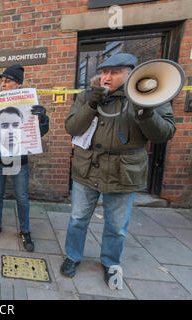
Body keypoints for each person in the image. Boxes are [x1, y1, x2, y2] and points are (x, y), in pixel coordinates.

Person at [61, 53, 176, 289]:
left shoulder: (149, 97)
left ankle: (110, 261)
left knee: (116, 225)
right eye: (104, 71)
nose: (107, 76)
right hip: (88, 168)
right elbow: (72, 127)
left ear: (130, 73)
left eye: (114, 72)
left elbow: (163, 133)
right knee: (77, 218)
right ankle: (72, 256)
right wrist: (92, 103)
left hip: (123, 173)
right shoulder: (87, 96)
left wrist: (146, 113)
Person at [0, 64, 50, 252]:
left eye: (7, 81)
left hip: (20, 158)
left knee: (21, 196)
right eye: (2, 80)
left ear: (18, 84)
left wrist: (43, 119)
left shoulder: (29, 104)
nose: (3, 84)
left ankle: (25, 230)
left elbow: (38, 132)